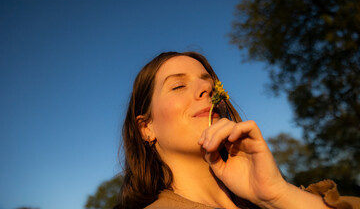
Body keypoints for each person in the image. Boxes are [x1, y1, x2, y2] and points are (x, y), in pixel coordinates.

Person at [116, 51, 360, 209]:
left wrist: (277, 195)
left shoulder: (275, 199)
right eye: (178, 85)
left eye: (209, 83)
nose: (205, 88)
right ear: (146, 128)